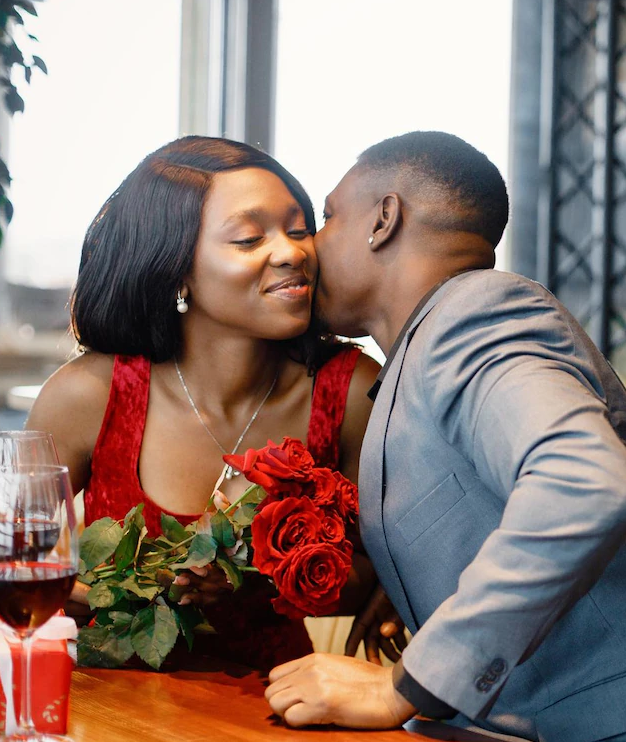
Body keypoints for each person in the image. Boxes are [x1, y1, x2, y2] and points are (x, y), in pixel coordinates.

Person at [264, 132, 626, 742]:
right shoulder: (423, 352)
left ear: (383, 219)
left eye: (330, 215)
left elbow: (585, 485)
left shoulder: (477, 315)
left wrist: (409, 684)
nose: (313, 244)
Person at [28, 136, 392, 671]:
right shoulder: (89, 395)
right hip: (108, 710)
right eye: (249, 238)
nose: (293, 251)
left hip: (271, 709)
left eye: (297, 229)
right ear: (175, 268)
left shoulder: (352, 391)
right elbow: (12, 559)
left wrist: (264, 582)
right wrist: (117, 595)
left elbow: (370, 576)